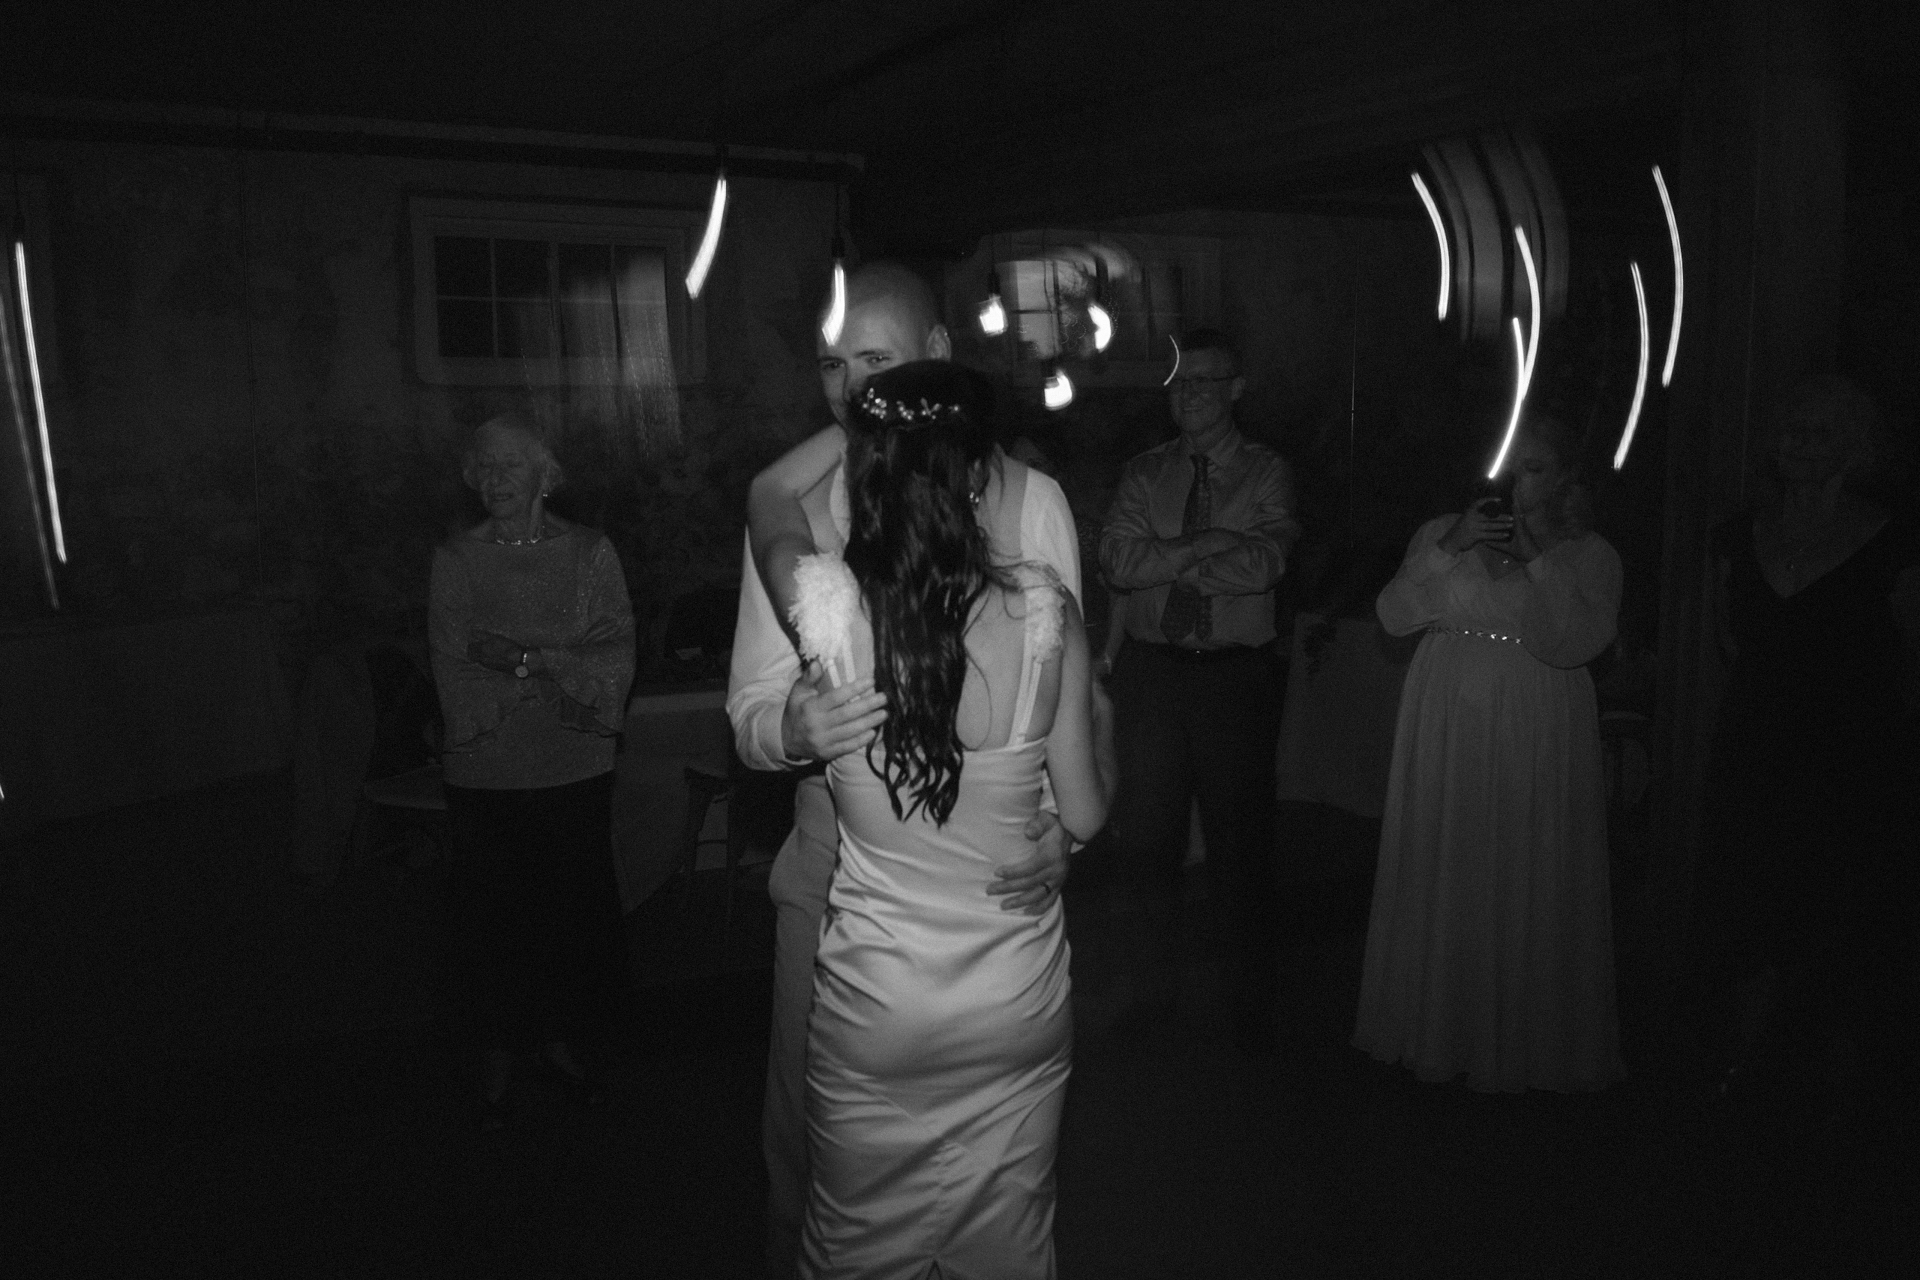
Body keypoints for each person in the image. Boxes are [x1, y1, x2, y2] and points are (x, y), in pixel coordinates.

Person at [725, 263, 1084, 1278]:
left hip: (994, 903)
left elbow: (1073, 703)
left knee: (997, 1200)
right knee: (806, 1159)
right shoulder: (803, 503)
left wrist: (1068, 832)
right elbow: (748, 715)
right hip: (838, 875)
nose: (849, 387)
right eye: (831, 365)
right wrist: (793, 725)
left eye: (874, 360)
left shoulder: (1034, 501)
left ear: (937, 350)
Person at [1354, 414, 1623, 1093]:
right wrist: (1450, 545)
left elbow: (1576, 641)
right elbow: (1393, 615)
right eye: (1509, 465)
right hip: (1446, 714)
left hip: (1536, 720)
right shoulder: (1440, 534)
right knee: (1448, 852)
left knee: (1525, 856)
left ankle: (1522, 1039)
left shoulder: (1589, 553)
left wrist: (1539, 560)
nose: (1516, 481)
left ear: (1562, 478)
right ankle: (1436, 1027)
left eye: (1534, 468)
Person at [1695, 376, 1920, 1104]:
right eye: (1791, 429)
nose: (1798, 443)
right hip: (1757, 749)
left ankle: (1831, 1082)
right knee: (1749, 905)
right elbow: (1731, 642)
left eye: (1819, 433)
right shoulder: (1740, 535)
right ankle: (1742, 1067)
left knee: (1838, 915)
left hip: (1852, 761)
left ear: (1854, 449)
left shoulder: (1893, 544)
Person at [428, 413, 635, 1130]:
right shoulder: (456, 559)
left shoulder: (591, 554)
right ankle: (496, 1056)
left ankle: (559, 1044)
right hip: (485, 775)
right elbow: (453, 658)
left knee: (567, 918)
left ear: (545, 473)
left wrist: (519, 657)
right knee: (491, 922)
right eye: (483, 466)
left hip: (573, 769)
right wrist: (551, 666)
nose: (494, 479)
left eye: (509, 464)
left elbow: (612, 656)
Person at [1098, 327, 1300, 1054]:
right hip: (1153, 673)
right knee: (1146, 842)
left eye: (1205, 381)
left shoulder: (1266, 471)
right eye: (1180, 382)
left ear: (1236, 389)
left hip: (1232, 678)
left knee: (1240, 844)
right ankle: (1146, 1001)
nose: (1188, 394)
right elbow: (1118, 562)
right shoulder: (1146, 472)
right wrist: (1209, 545)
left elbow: (1264, 564)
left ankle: (1246, 1007)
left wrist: (1166, 560)